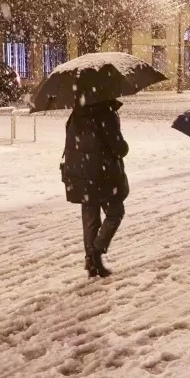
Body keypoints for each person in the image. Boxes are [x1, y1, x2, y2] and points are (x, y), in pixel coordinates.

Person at [61, 100, 129, 278]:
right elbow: (118, 147)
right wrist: (124, 146)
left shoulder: (77, 113)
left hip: (81, 174)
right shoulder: (105, 112)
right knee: (115, 212)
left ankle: (91, 262)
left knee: (90, 217)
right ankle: (96, 252)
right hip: (103, 173)